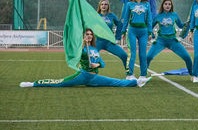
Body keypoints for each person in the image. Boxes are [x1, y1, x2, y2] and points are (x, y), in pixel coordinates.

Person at [19, 28, 151, 88]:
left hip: (94, 77)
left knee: (115, 82)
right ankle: (33, 83)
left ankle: (137, 82)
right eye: (87, 34)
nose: (89, 36)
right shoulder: (81, 49)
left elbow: (102, 64)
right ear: (84, 36)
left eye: (90, 35)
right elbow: (74, 55)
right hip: (82, 76)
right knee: (59, 83)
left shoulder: (94, 49)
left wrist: (97, 65)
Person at [147, 0, 193, 75]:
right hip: (160, 41)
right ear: (163, 5)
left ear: (171, 6)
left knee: (187, 57)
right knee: (148, 57)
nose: (167, 6)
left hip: (173, 41)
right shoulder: (158, 16)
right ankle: (144, 74)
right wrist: (152, 37)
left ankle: (192, 74)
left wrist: (187, 23)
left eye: (169, 4)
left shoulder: (174, 15)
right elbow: (150, 26)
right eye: (166, 4)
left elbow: (181, 25)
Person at [121, 0, 152, 82]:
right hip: (132, 31)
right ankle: (129, 74)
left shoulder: (147, 4)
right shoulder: (129, 4)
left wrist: (150, 32)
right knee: (132, 53)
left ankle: (143, 75)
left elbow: (149, 19)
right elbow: (126, 19)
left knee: (143, 54)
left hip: (143, 31)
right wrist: (123, 31)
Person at [96, 0, 128, 72]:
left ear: (108, 6)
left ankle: (129, 74)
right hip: (98, 42)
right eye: (102, 4)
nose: (104, 6)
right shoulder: (96, 15)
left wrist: (117, 38)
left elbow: (119, 25)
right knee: (90, 57)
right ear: (99, 6)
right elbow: (89, 26)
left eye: (105, 4)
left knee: (124, 55)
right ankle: (89, 75)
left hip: (109, 42)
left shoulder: (111, 15)